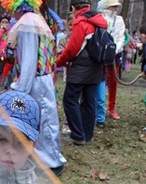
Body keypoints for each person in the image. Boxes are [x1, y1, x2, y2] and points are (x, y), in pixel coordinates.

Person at [4, 0, 66, 174]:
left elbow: (29, 58)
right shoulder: (34, 19)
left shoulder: (27, 24)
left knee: (44, 120)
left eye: (11, 10)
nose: (10, 15)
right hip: (39, 79)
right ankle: (41, 157)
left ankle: (52, 161)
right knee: (42, 119)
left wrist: (20, 86)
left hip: (35, 80)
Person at [57, 0, 107, 145]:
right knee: (89, 101)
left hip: (81, 69)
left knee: (69, 100)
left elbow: (72, 48)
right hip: (96, 67)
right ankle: (87, 134)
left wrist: (58, 62)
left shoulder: (81, 22)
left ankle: (77, 135)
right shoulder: (99, 20)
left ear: (73, 7)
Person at [97, 0, 124, 121]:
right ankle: (98, 109)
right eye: (113, 6)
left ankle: (111, 108)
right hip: (101, 55)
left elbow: (120, 37)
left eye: (116, 7)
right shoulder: (100, 18)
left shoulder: (119, 20)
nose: (115, 9)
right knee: (99, 80)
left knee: (113, 81)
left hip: (115, 55)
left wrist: (114, 51)